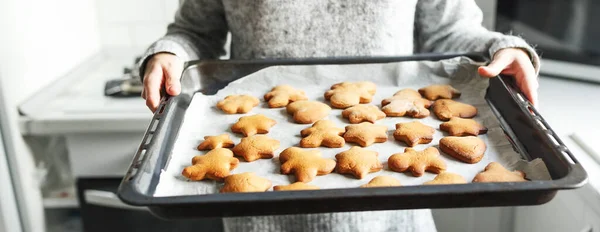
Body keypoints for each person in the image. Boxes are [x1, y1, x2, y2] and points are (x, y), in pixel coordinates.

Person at [138, 1, 540, 231]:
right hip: (261, 214)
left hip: (391, 212)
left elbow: (453, 35)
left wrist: (507, 50)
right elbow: (193, 32)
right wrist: (168, 53)